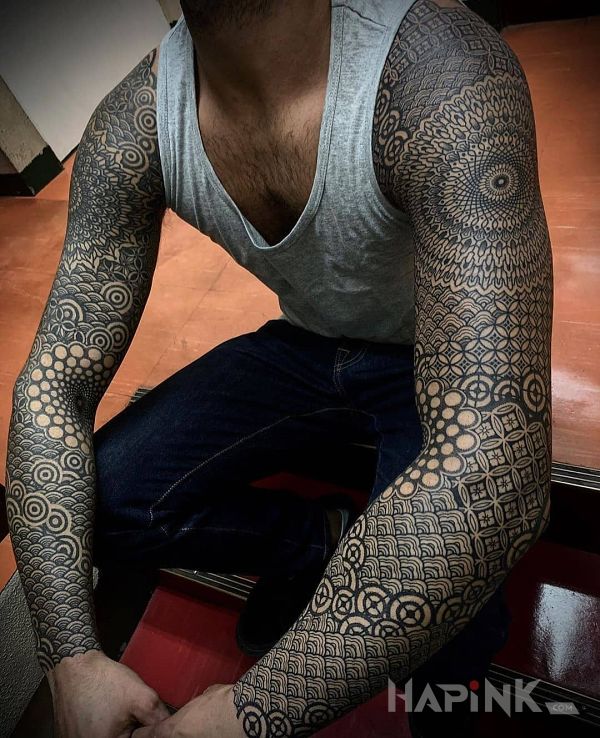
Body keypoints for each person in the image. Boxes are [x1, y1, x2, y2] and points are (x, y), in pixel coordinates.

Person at [5, 0, 553, 736]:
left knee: (449, 621)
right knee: (103, 500)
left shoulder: (435, 71)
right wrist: (69, 655)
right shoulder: (133, 125)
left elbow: (497, 463)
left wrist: (251, 711)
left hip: (436, 356)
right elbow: (51, 389)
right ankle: (318, 540)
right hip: (306, 347)